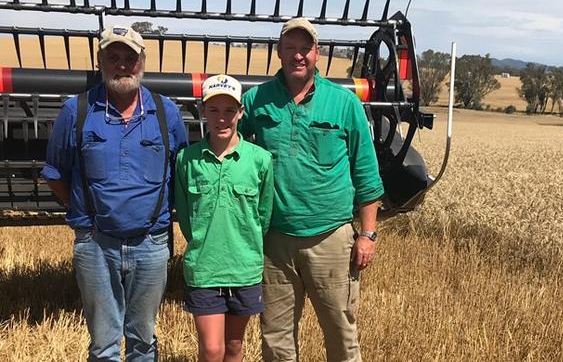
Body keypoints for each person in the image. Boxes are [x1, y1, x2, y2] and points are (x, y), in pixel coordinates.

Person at [240, 18, 385, 362]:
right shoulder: (255, 101)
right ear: (279, 53)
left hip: (331, 237)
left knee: (340, 332)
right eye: (290, 48)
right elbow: (234, 153)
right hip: (274, 240)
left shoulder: (344, 103)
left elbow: (366, 173)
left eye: (305, 48)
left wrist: (367, 234)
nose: (298, 55)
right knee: (276, 338)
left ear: (317, 53)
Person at [42, 25, 188, 361]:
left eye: (130, 58)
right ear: (100, 61)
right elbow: (56, 174)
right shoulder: (76, 111)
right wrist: (86, 214)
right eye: (113, 57)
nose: (122, 65)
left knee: (144, 341)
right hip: (95, 244)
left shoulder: (166, 113)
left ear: (143, 62)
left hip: (151, 244)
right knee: (104, 345)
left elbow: (179, 173)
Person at [174, 74, 274, 362]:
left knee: (234, 347)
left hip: (245, 268)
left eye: (230, 110)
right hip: (205, 268)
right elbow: (186, 218)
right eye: (214, 110)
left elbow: (263, 216)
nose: (222, 118)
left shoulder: (260, 160)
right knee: (212, 349)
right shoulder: (187, 160)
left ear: (241, 113)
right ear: (202, 111)